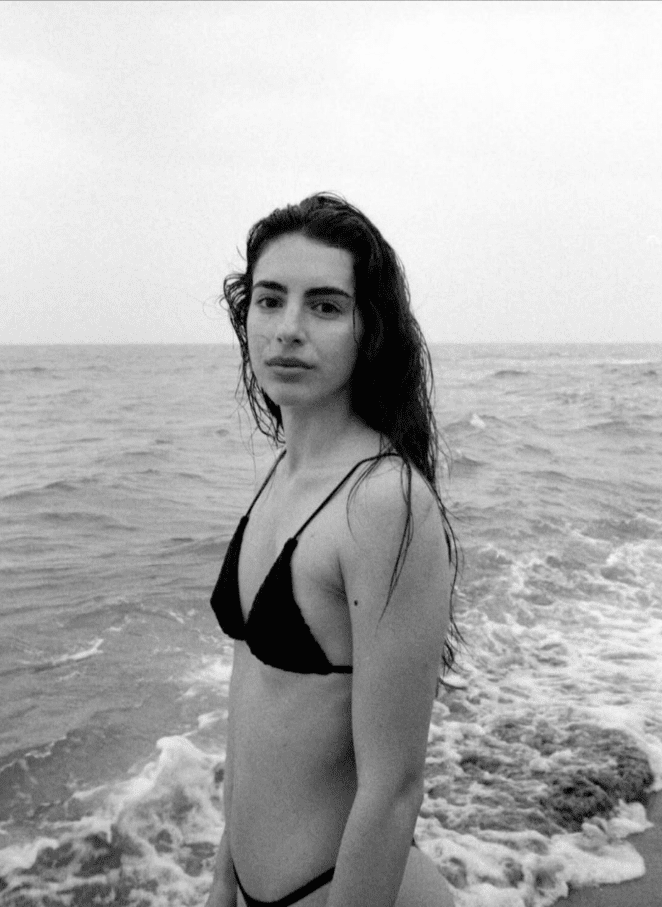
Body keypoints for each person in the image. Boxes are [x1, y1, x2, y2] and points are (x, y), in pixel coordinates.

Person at [207, 193, 458, 907]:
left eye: (324, 306)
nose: (287, 329)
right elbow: (253, 699)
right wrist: (224, 877)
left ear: (367, 330)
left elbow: (392, 786)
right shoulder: (285, 476)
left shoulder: (382, 502)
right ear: (245, 316)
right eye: (268, 299)